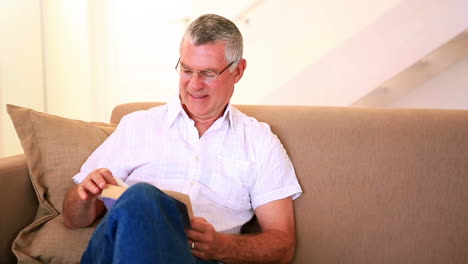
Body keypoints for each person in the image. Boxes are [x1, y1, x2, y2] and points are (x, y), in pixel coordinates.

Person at [63, 14, 302, 264]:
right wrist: (84, 195)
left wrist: (221, 246)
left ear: (238, 71)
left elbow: (283, 246)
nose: (194, 85)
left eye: (208, 73)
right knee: (142, 197)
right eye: (187, 70)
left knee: (143, 197)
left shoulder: (259, 142)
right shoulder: (138, 125)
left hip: (196, 260)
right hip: (116, 251)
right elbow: (73, 218)